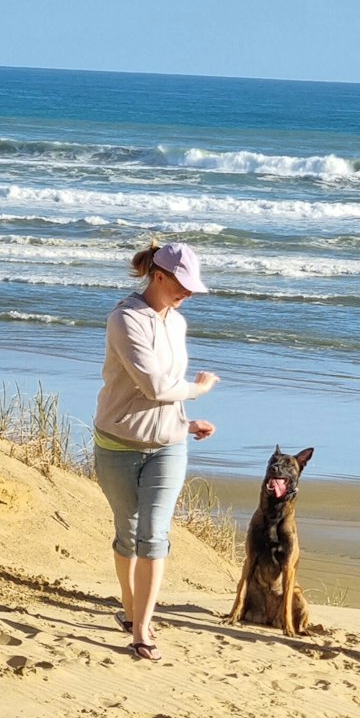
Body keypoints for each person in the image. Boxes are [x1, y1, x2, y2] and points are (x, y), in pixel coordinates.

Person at [93, 238, 218, 661]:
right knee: (127, 534)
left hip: (169, 445)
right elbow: (154, 386)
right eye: (180, 284)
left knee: (154, 536)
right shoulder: (125, 319)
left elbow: (168, 391)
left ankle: (141, 630)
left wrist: (184, 421)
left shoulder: (177, 323)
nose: (186, 293)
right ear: (157, 275)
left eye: (191, 287)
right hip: (117, 443)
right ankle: (129, 609)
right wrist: (200, 390)